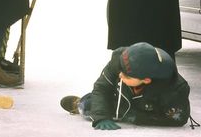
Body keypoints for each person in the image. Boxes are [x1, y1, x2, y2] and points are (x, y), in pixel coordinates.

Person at [60, 42, 192, 129]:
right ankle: (80, 103)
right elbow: (102, 87)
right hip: (119, 97)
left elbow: (177, 120)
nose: (120, 76)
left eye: (127, 76)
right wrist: (101, 117)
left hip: (149, 110)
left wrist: (134, 116)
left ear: (146, 80)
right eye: (120, 71)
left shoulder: (175, 90)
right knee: (90, 105)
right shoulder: (120, 62)